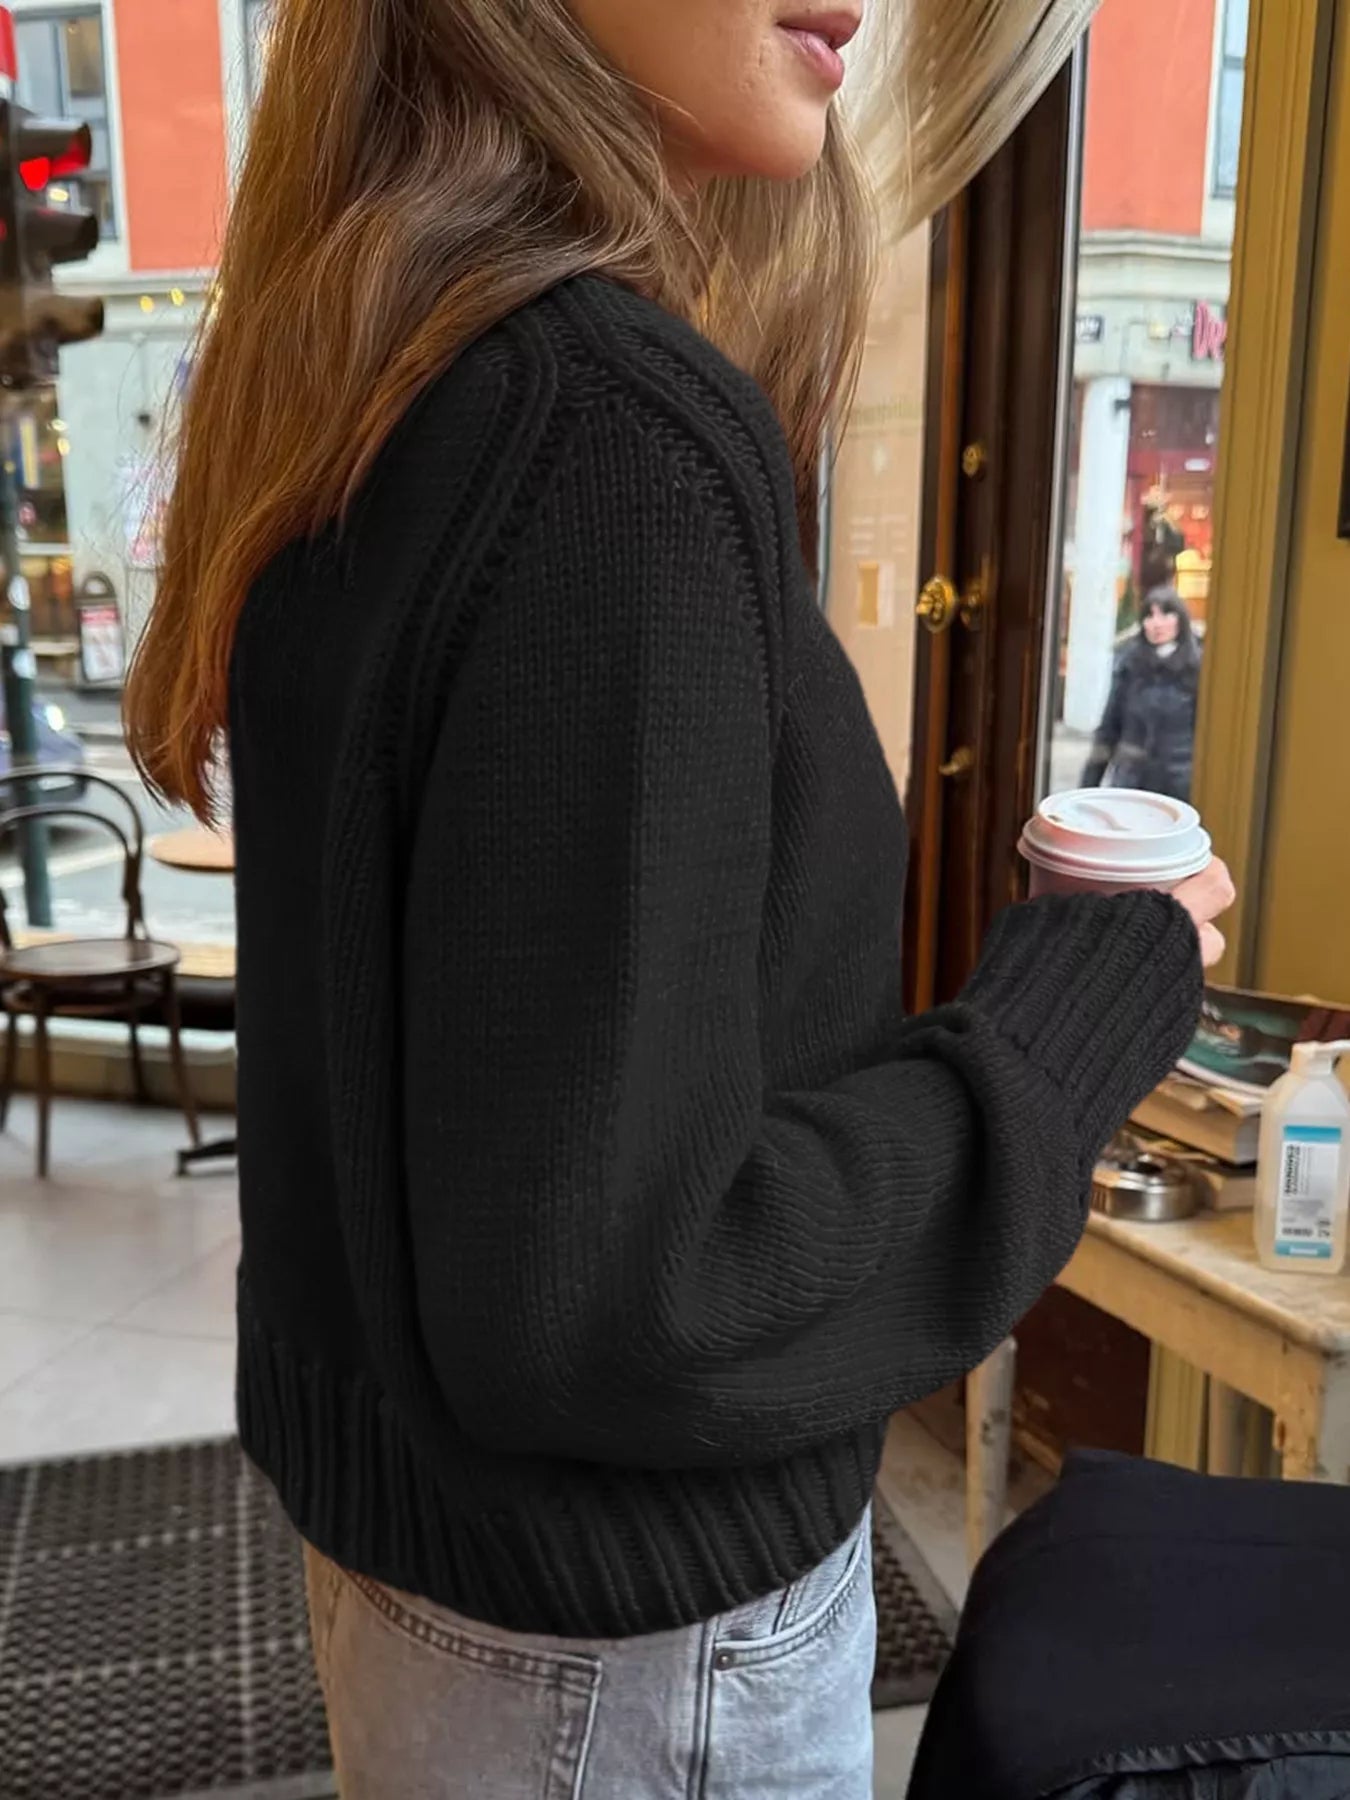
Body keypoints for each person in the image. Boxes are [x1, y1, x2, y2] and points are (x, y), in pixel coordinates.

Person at [124, 1, 1235, 1793]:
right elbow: (634, 1298)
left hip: (447, 1597)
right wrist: (1078, 1007)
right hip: (626, 1666)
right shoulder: (608, 433)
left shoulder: (387, 366)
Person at [1082, 589, 1203, 801]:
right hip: (1132, 781)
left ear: (1180, 620)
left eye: (1165, 614)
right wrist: (1087, 788)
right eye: (1150, 615)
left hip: (1180, 784)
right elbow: (1108, 729)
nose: (1157, 623)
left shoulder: (1196, 668)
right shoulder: (1129, 664)